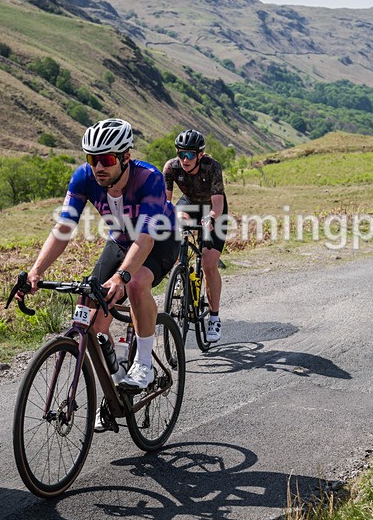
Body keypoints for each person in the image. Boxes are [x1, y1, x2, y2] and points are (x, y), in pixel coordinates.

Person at [24, 118, 178, 396]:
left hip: (160, 240)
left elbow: (145, 238)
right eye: (92, 159)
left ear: (125, 157)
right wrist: (36, 271)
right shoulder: (83, 177)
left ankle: (144, 364)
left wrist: (121, 276)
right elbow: (63, 229)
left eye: (106, 160)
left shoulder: (149, 178)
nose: (98, 167)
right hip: (120, 240)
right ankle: (116, 381)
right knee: (90, 311)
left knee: (135, 284)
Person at [163, 129, 228, 342]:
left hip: (213, 208)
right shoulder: (171, 168)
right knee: (176, 224)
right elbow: (166, 202)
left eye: (190, 154)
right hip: (189, 204)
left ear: (200, 154)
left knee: (209, 263)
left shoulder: (212, 167)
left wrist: (210, 218)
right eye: (181, 154)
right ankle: (180, 270)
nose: (185, 159)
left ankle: (214, 318)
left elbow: (217, 205)